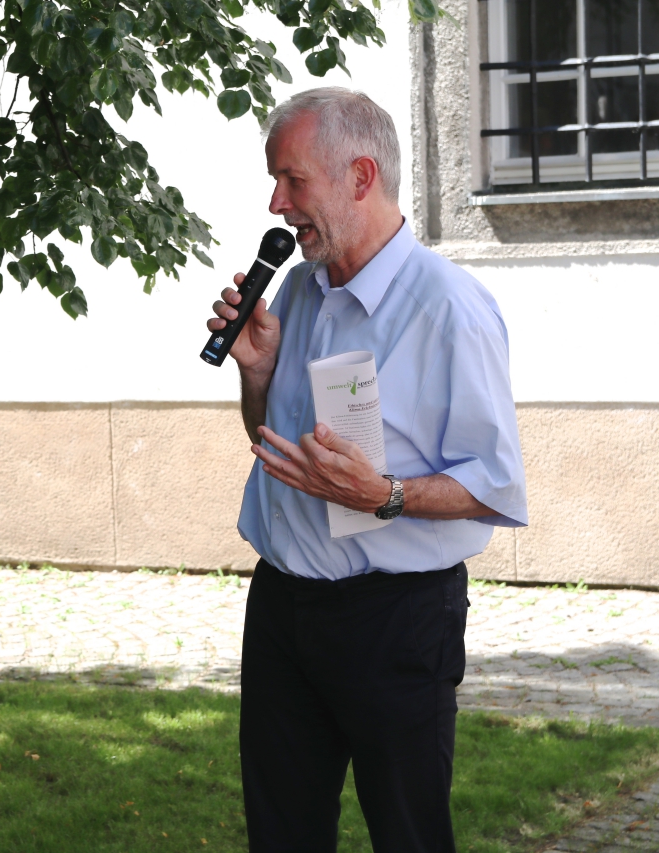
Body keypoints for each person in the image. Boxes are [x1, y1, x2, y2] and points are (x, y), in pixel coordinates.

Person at [207, 88, 527, 852]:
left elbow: (494, 483)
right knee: (281, 836)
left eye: (293, 180)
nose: (277, 204)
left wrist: (384, 494)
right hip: (282, 610)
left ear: (360, 176)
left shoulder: (450, 307)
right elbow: (273, 446)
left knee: (409, 836)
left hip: (396, 620)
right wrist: (257, 376)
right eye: (275, 182)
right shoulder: (298, 290)